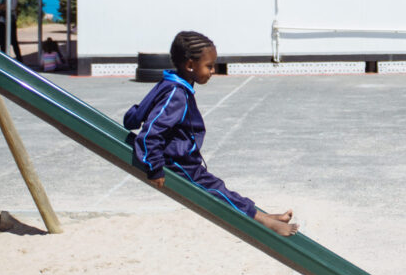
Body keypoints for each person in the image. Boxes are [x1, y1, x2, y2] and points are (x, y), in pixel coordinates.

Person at [124, 30, 298, 236]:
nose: (213, 70)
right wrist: (155, 168)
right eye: (209, 65)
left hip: (182, 158)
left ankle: (262, 216)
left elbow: (137, 114)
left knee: (218, 187)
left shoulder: (171, 85)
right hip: (175, 162)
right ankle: (265, 222)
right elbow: (152, 131)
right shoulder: (175, 94)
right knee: (215, 192)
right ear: (190, 65)